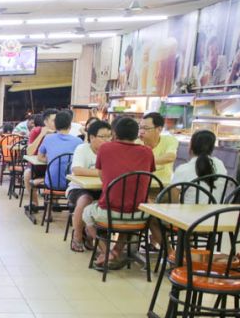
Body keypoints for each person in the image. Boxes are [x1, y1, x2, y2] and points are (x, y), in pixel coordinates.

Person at [83, 117, 156, 269]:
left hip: (109, 213)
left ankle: (107, 251)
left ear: (114, 133)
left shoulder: (105, 149)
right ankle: (117, 251)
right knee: (128, 215)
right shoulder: (148, 152)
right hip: (139, 215)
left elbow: (102, 176)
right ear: (137, 135)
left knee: (87, 212)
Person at [65, 120, 112, 252]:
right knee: (85, 200)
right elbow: (77, 170)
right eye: (103, 136)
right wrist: (102, 173)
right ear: (91, 137)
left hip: (103, 189)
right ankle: (77, 236)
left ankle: (94, 234)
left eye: (109, 136)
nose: (107, 140)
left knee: (114, 202)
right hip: (79, 188)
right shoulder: (82, 149)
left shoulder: (110, 151)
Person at [25, 111, 82, 212]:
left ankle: (50, 206)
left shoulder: (50, 138)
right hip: (67, 181)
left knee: (54, 174)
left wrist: (51, 158)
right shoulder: (78, 141)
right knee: (28, 174)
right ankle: (37, 204)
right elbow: (29, 152)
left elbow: (40, 156)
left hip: (51, 177)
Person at [170, 129, 226, 203]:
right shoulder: (220, 164)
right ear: (212, 148)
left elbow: (173, 199)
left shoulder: (183, 169)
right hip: (217, 213)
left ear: (190, 146)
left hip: (188, 214)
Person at [139, 112, 178, 185]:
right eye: (140, 127)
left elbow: (171, 157)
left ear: (159, 129)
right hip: (141, 186)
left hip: (163, 186)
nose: (141, 131)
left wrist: (144, 161)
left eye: (146, 128)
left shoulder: (169, 140)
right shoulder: (136, 142)